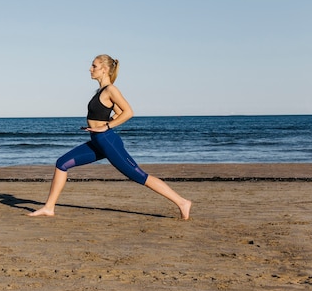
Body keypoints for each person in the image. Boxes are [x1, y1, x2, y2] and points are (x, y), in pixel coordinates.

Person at [29, 54, 192, 220]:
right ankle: (49, 207)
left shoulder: (111, 90)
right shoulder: (100, 91)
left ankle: (182, 202)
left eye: (94, 66)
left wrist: (105, 126)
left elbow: (128, 112)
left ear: (105, 69)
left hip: (107, 141)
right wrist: (100, 126)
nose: (90, 69)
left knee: (138, 175)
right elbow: (118, 112)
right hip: (97, 141)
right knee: (62, 164)